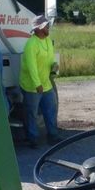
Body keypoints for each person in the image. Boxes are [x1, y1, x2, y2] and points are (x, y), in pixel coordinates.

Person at [20, 14, 60, 148]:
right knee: (32, 113)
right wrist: (37, 84)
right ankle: (32, 139)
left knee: (50, 109)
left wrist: (54, 65)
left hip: (46, 83)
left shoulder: (48, 41)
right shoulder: (31, 44)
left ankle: (53, 136)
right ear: (40, 28)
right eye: (46, 26)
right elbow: (31, 67)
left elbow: (49, 58)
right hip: (32, 86)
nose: (48, 28)